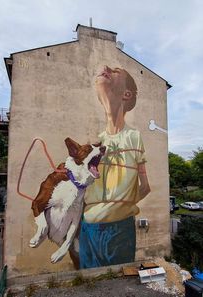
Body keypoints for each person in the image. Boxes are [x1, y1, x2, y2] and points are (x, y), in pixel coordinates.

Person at [79, 65, 151, 269]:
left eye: (116, 71)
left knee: (117, 284)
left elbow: (145, 187)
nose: (104, 68)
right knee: (89, 285)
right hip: (88, 228)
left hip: (119, 229)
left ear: (126, 94)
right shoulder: (95, 141)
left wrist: (117, 206)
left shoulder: (134, 137)